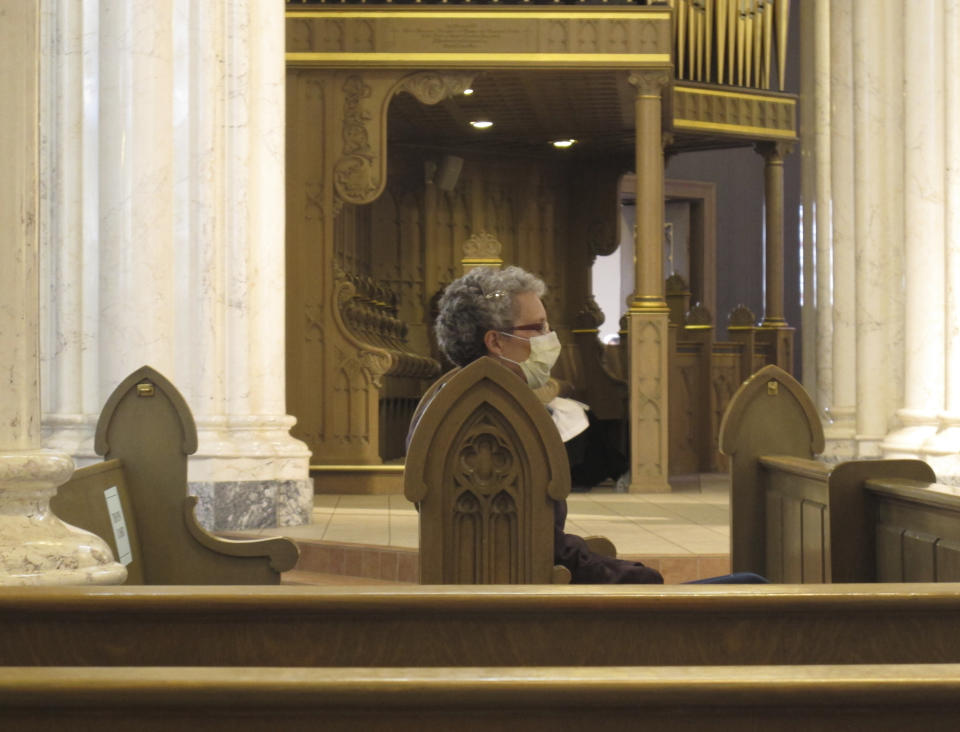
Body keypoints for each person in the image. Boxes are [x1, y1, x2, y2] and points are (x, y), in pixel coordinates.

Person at [420, 265, 766, 584]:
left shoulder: (457, 397)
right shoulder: (490, 418)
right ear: (495, 341)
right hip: (531, 609)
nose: (549, 337)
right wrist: (634, 578)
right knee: (753, 589)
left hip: (529, 589)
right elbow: (531, 547)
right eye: (538, 327)